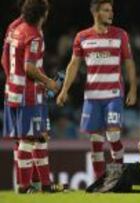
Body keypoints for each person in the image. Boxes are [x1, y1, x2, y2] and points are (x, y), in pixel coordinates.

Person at [56, 0, 137, 179]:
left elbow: (129, 63)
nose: (111, 13)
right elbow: (73, 64)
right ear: (96, 13)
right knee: (95, 140)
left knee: (114, 136)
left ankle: (117, 178)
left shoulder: (120, 35)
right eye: (106, 10)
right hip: (92, 97)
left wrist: (133, 89)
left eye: (111, 10)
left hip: (114, 95)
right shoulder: (82, 37)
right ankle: (99, 180)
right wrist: (64, 90)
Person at [2, 0, 60, 193]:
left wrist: (13, 79)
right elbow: (29, 68)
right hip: (28, 95)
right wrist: (48, 82)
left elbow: (3, 59)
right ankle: (24, 186)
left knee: (34, 137)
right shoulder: (34, 35)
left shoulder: (14, 27)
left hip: (11, 91)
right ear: (44, 14)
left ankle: (44, 184)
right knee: (29, 138)